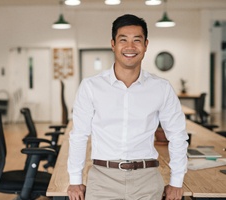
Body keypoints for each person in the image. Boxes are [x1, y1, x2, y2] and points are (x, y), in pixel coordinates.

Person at [67, 14, 188, 200]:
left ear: (146, 45)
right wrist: (75, 180)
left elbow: (177, 134)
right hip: (103, 179)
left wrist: (177, 181)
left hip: (147, 179)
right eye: (123, 40)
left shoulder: (161, 88)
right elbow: (79, 136)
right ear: (113, 44)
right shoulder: (91, 87)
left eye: (137, 40)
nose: (130, 47)